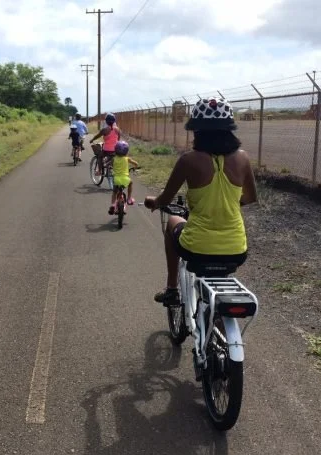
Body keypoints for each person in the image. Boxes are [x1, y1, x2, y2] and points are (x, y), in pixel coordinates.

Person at [143, 98, 257, 306]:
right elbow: (250, 197)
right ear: (229, 129)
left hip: (197, 247)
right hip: (237, 248)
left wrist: (153, 202)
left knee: (172, 222)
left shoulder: (189, 160)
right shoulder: (243, 158)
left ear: (197, 130)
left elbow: (165, 199)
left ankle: (171, 289)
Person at [108, 140, 138, 215]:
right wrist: (135, 166)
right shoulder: (127, 159)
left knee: (114, 192)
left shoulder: (114, 159)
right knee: (131, 183)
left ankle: (112, 205)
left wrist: (109, 167)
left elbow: (109, 165)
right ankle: (129, 199)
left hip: (116, 179)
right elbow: (136, 163)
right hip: (125, 179)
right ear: (126, 151)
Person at [89, 113, 121, 178]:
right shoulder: (118, 129)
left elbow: (97, 136)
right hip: (115, 149)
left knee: (99, 156)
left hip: (107, 149)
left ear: (106, 121)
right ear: (114, 121)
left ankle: (99, 170)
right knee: (113, 158)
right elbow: (118, 139)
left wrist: (92, 140)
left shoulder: (105, 130)